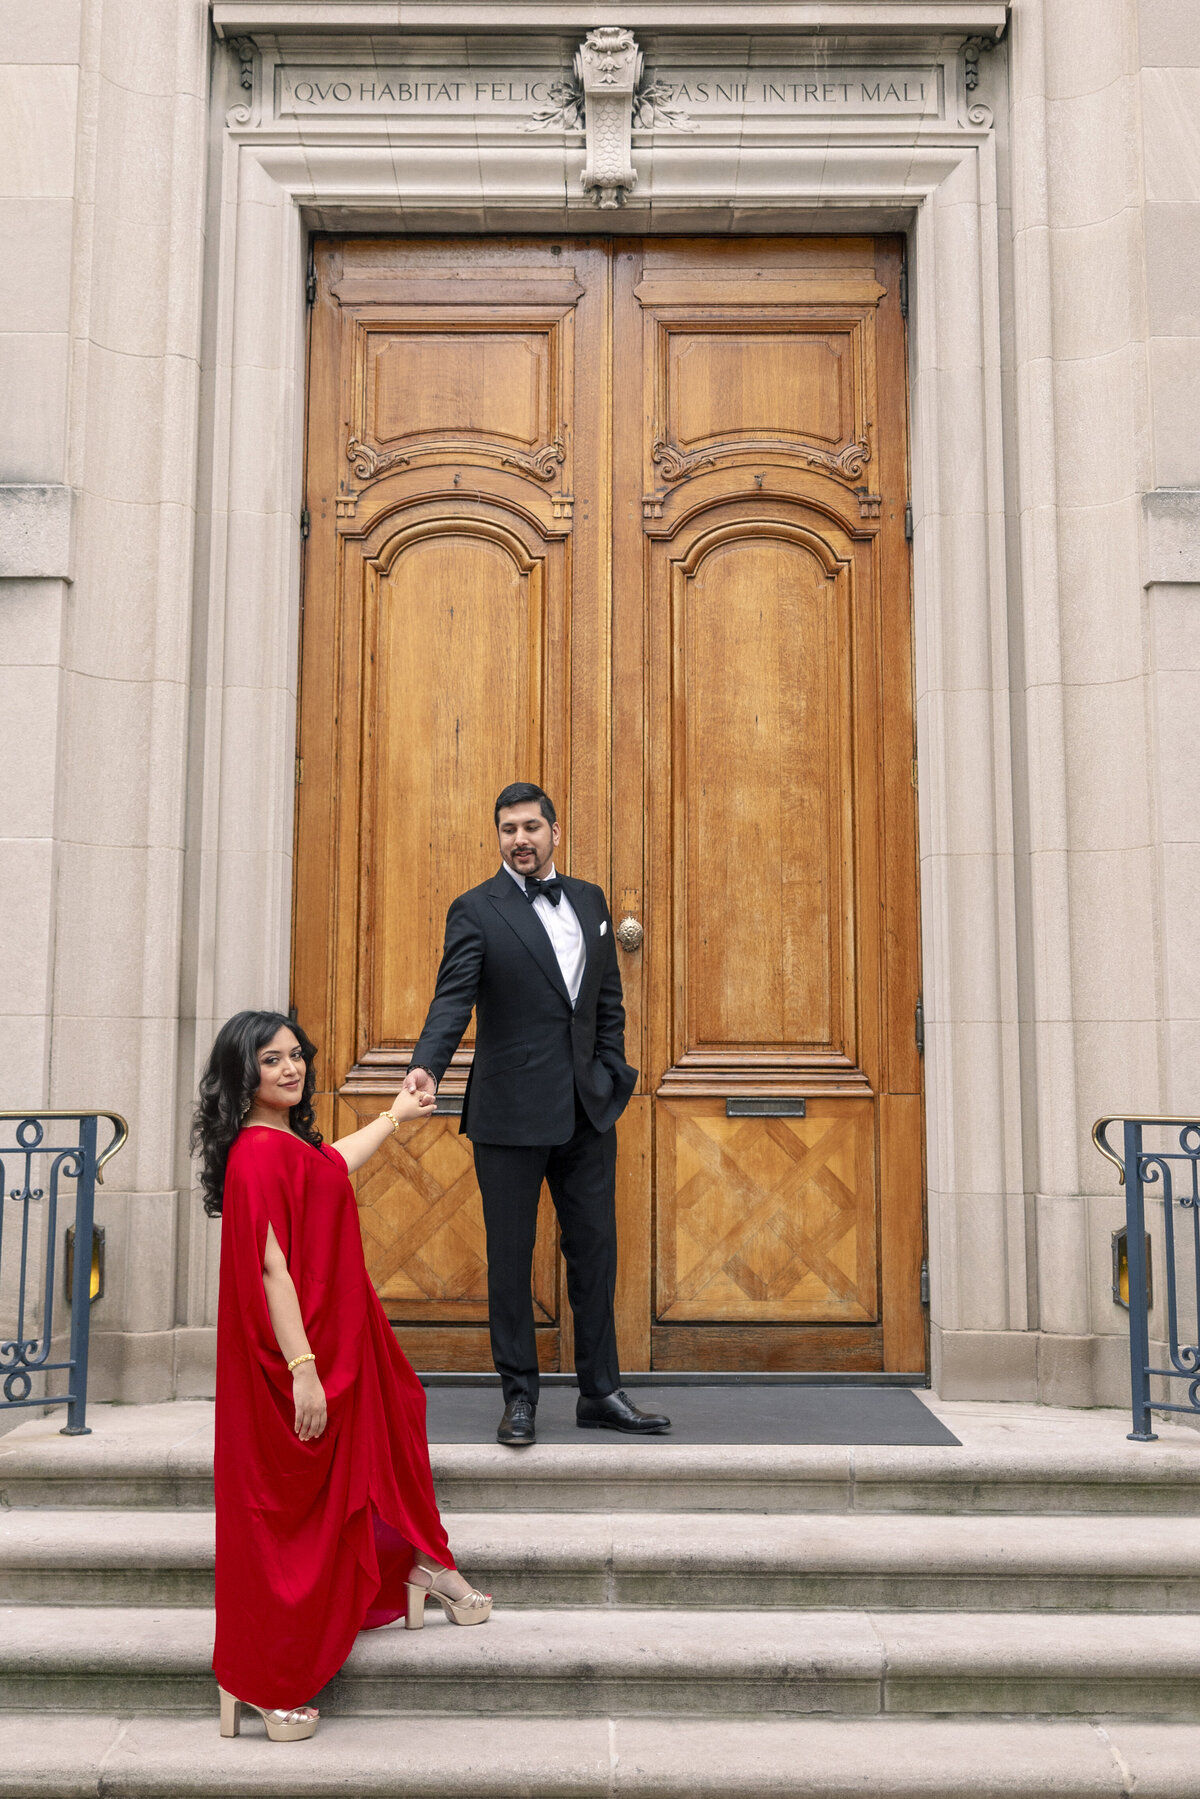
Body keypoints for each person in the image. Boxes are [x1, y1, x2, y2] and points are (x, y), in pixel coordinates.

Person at [192, 1009, 491, 1744]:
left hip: (347, 1338)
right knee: (284, 1515)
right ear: (243, 1075)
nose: (290, 1068)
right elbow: (271, 1270)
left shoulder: (286, 1142)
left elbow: (329, 1166)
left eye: (296, 1054)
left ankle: (423, 1562)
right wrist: (303, 1372)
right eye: (272, 1060)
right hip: (302, 1357)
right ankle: (260, 1681)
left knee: (400, 1419)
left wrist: (394, 1114)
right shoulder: (255, 1155)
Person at [405, 783, 670, 1447]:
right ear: (498, 837)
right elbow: (452, 999)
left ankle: (600, 1391)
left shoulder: (588, 900)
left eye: (530, 826)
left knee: (594, 1254)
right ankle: (518, 1396)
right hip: (508, 1114)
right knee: (510, 1259)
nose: (519, 839)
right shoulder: (476, 909)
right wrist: (426, 1066)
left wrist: (612, 1070)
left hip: (587, 1109)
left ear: (554, 829)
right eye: (507, 829)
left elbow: (606, 997)